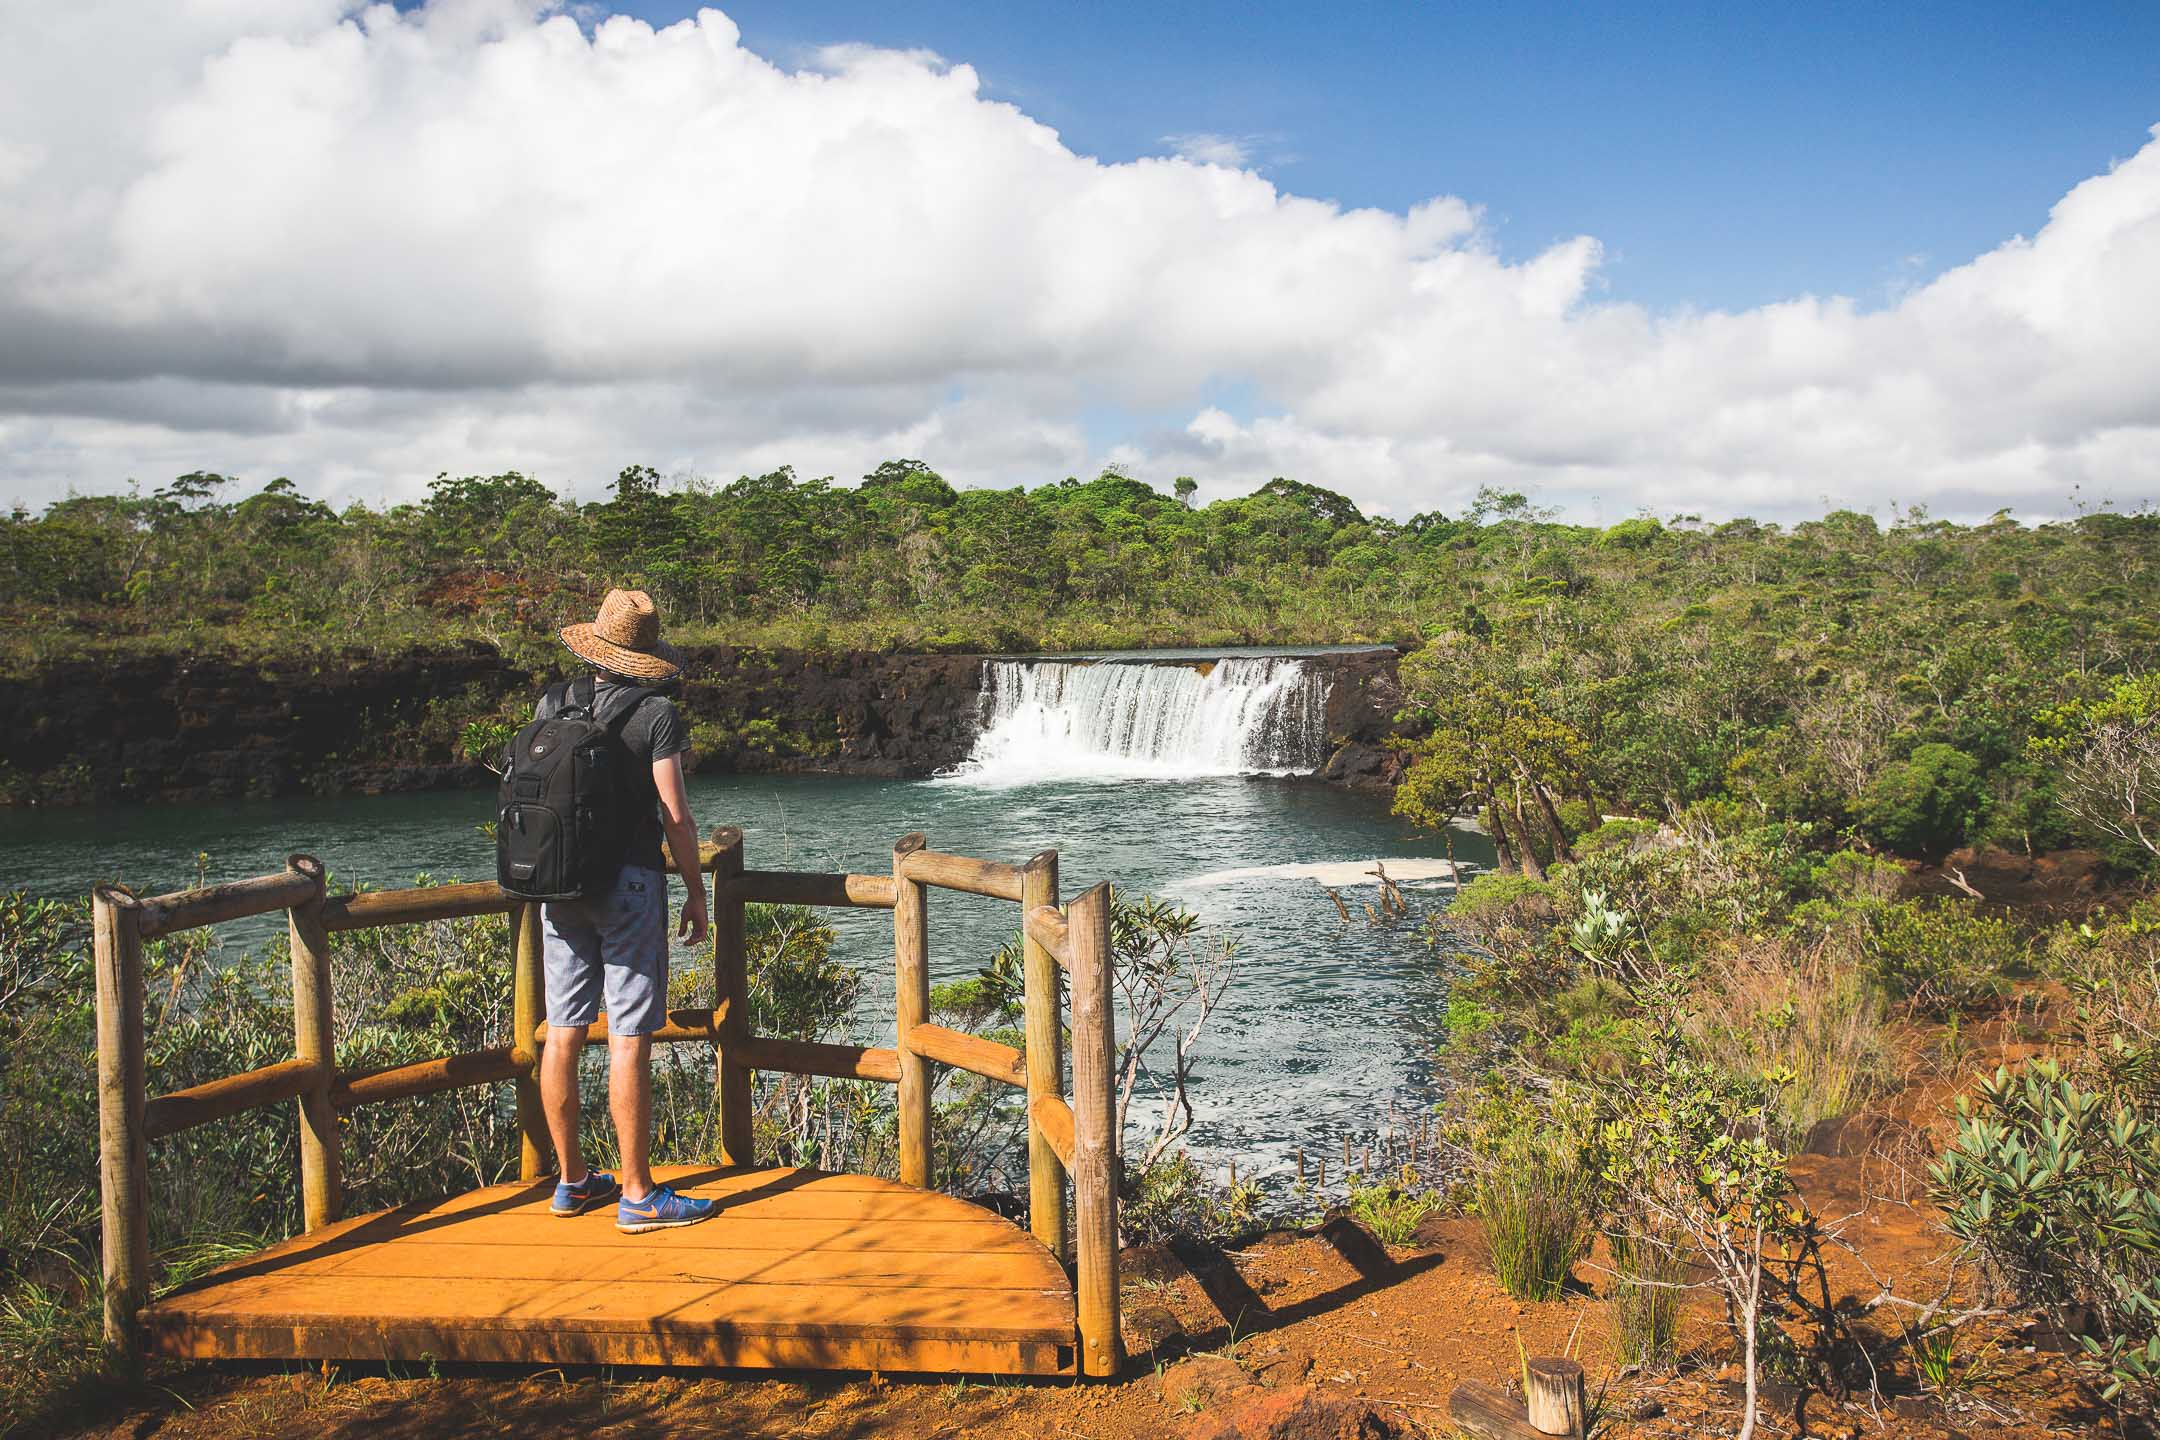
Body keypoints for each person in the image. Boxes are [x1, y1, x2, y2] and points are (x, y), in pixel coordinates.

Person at [537, 588, 715, 1233]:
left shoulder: (553, 702)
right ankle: (638, 1195)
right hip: (630, 883)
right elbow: (674, 815)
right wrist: (696, 892)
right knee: (630, 1036)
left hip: (559, 884)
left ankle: (573, 1182)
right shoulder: (656, 712)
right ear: (644, 654)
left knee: (563, 1031)